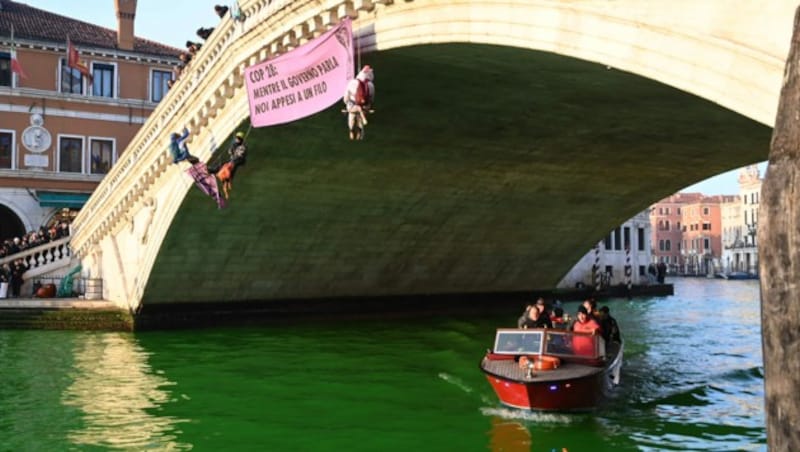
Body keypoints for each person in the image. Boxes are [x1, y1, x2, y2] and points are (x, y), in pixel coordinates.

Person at [210, 131, 248, 199]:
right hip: (233, 160)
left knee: (233, 167)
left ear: (241, 139)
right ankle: (212, 170)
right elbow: (230, 151)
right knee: (224, 165)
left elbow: (240, 155)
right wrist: (231, 150)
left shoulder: (243, 146)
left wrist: (233, 158)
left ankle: (229, 179)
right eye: (237, 138)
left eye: (238, 139)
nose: (237, 139)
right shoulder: (234, 144)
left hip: (239, 160)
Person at [342, 65, 375, 140]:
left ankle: (351, 130)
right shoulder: (371, 85)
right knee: (360, 118)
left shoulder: (352, 82)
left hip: (352, 105)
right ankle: (360, 132)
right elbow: (371, 99)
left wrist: (346, 102)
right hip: (364, 105)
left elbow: (346, 98)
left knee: (351, 118)